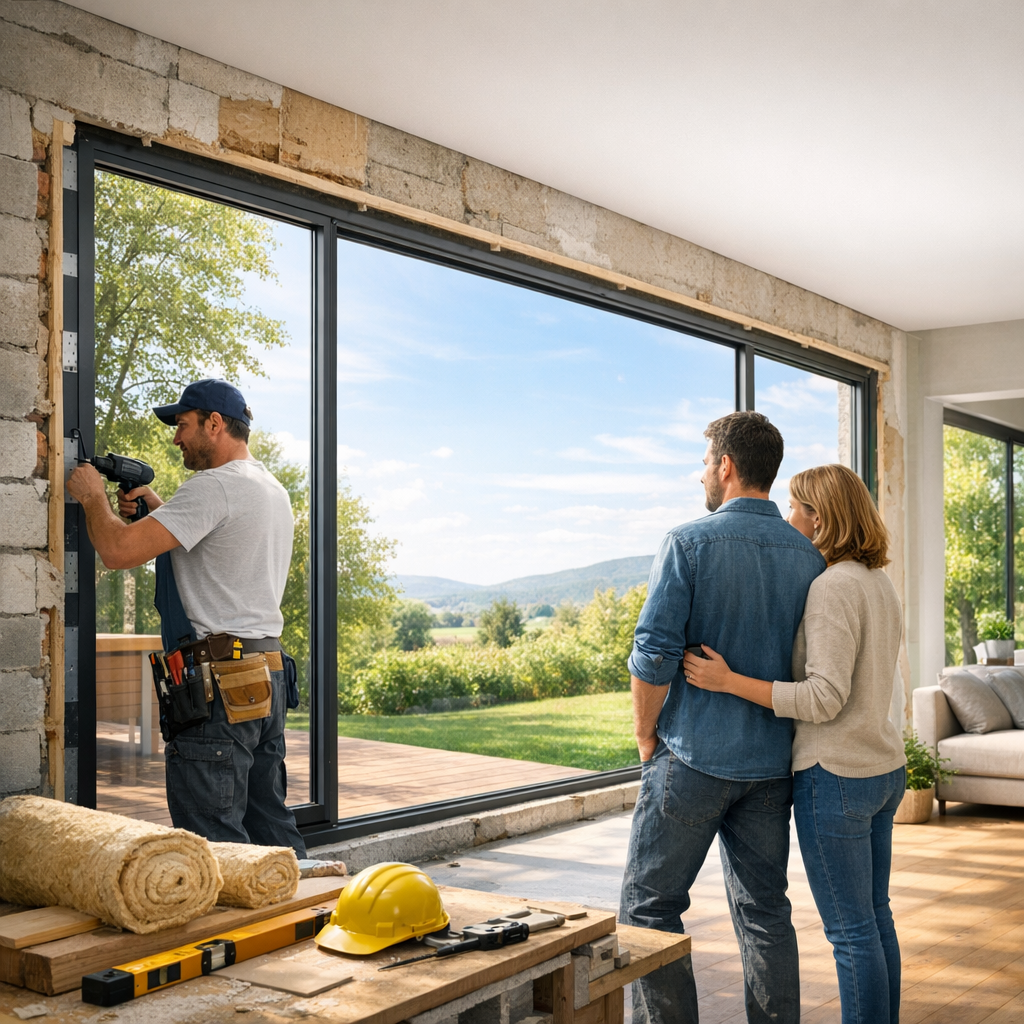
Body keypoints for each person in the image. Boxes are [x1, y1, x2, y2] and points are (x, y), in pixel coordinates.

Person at [619, 411, 826, 1024]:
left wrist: (645, 735)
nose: (700, 473)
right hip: (770, 765)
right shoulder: (809, 557)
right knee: (766, 913)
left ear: (726, 467)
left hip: (693, 756)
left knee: (649, 908)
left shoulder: (688, 542)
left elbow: (654, 652)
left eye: (705, 462)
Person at [684, 464, 905, 1024]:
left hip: (837, 775)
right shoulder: (878, 581)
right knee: (875, 918)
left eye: (796, 507)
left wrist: (730, 681)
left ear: (820, 518)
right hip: (882, 768)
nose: (789, 518)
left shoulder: (833, 587)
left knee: (852, 933)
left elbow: (825, 697)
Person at [67, 379, 307, 856]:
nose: (176, 438)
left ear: (214, 424)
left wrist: (92, 497)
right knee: (269, 830)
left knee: (216, 845)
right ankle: (312, 917)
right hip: (265, 673)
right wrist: (160, 508)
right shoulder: (268, 487)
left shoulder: (212, 487)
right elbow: (216, 550)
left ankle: (231, 932)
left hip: (218, 684)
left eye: (182, 425)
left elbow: (116, 550)